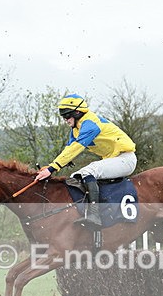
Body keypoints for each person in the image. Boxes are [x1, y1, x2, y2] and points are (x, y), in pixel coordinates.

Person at [35, 94, 137, 227]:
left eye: (67, 115)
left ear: (77, 112)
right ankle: (86, 211)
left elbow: (77, 147)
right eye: (63, 116)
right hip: (115, 160)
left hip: (125, 159)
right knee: (75, 176)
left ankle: (94, 214)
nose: (65, 119)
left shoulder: (90, 124)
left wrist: (51, 169)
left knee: (88, 171)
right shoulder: (76, 128)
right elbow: (69, 148)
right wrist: (53, 165)